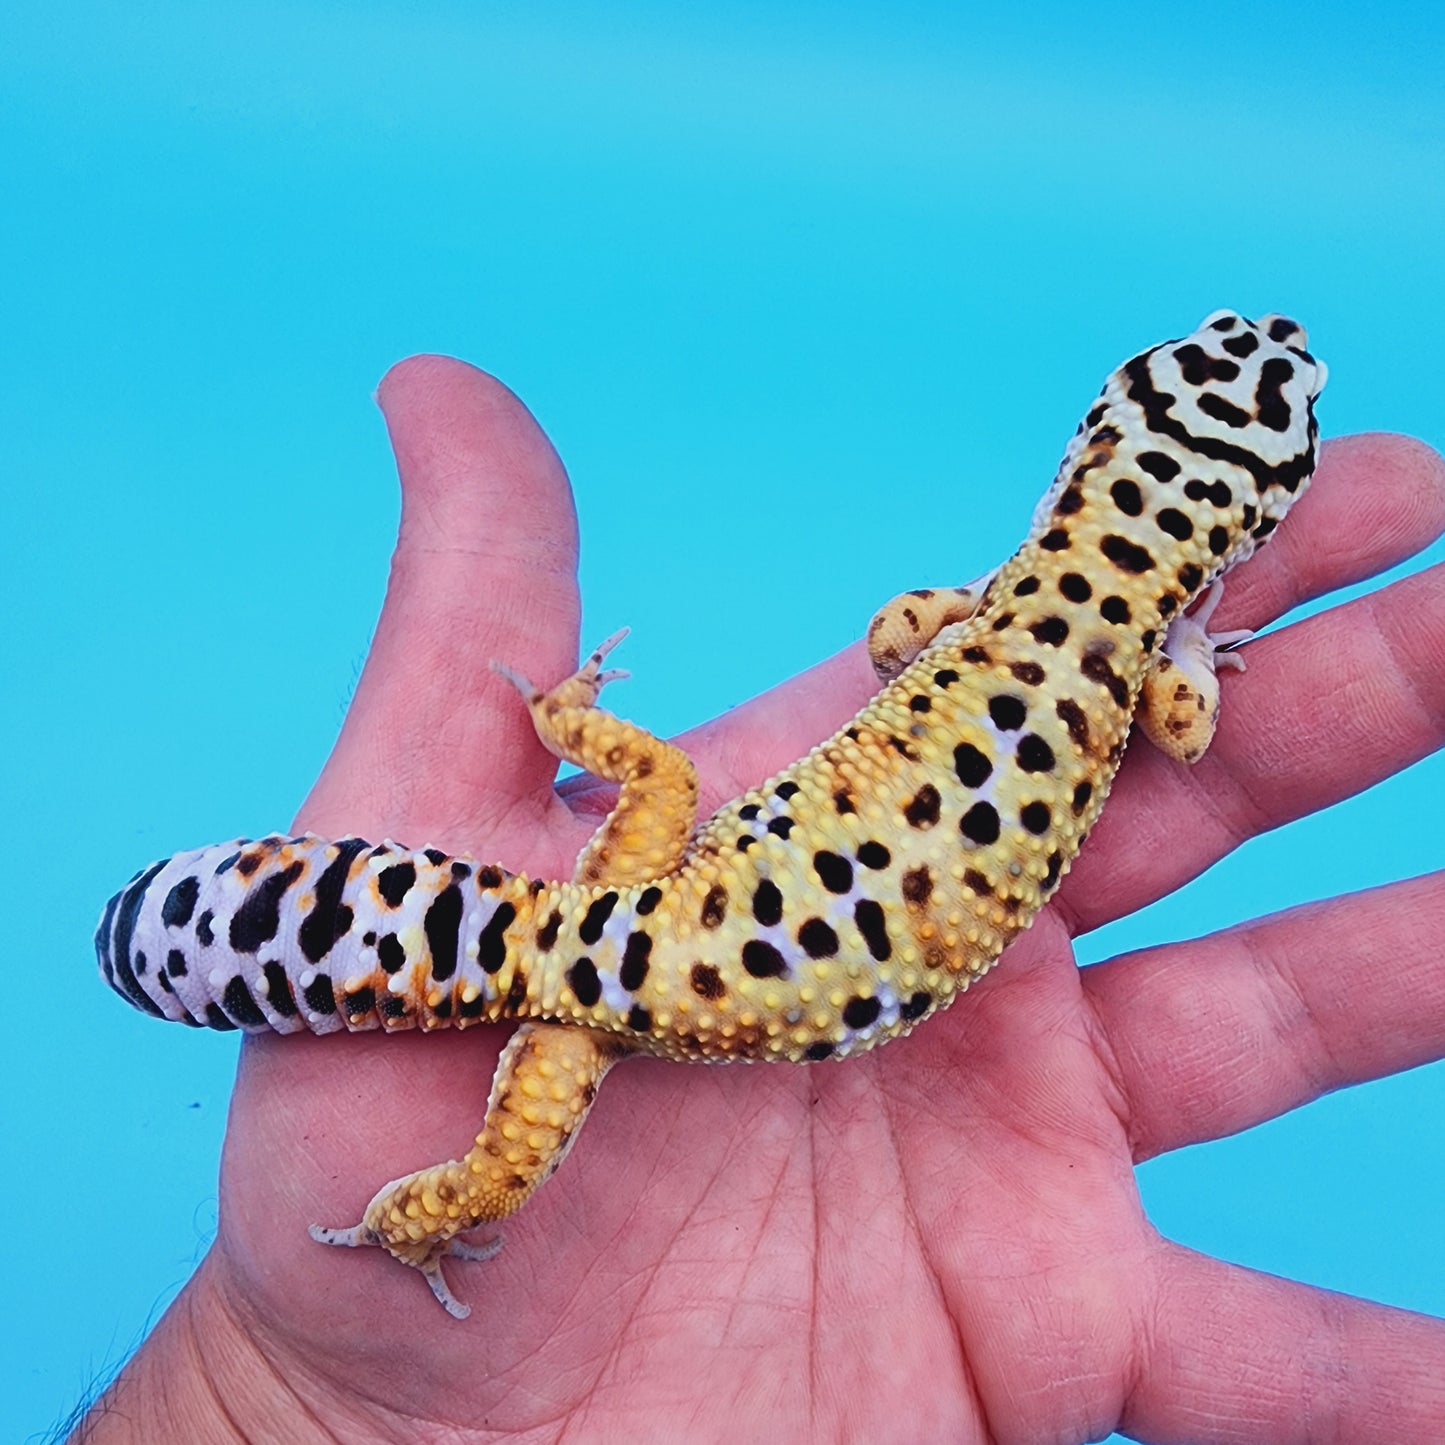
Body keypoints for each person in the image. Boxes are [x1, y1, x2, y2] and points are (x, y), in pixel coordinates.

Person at [77, 356, 1445, 1443]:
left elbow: (899, 632)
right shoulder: (1154, 660)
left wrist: (571, 723)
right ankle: (410, 1216)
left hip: (639, 917)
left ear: (1095, 442)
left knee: (652, 787)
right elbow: (1189, 736)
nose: (1293, 370)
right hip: (645, 975)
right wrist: (1186, 635)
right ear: (1243, 516)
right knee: (505, 1153)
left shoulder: (992, 603)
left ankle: (418, 1189)